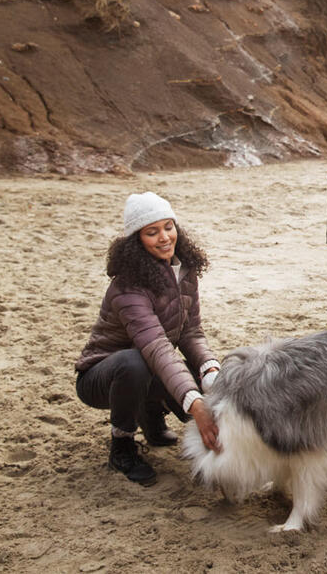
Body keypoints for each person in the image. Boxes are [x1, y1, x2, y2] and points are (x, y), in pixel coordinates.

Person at [75, 192, 222, 486]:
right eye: (152, 232)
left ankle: (151, 414)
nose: (164, 237)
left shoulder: (184, 271)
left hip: (149, 364)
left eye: (168, 226)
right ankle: (122, 445)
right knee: (136, 363)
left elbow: (191, 332)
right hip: (102, 377)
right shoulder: (127, 288)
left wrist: (210, 369)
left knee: (202, 380)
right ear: (136, 241)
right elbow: (156, 347)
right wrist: (196, 404)